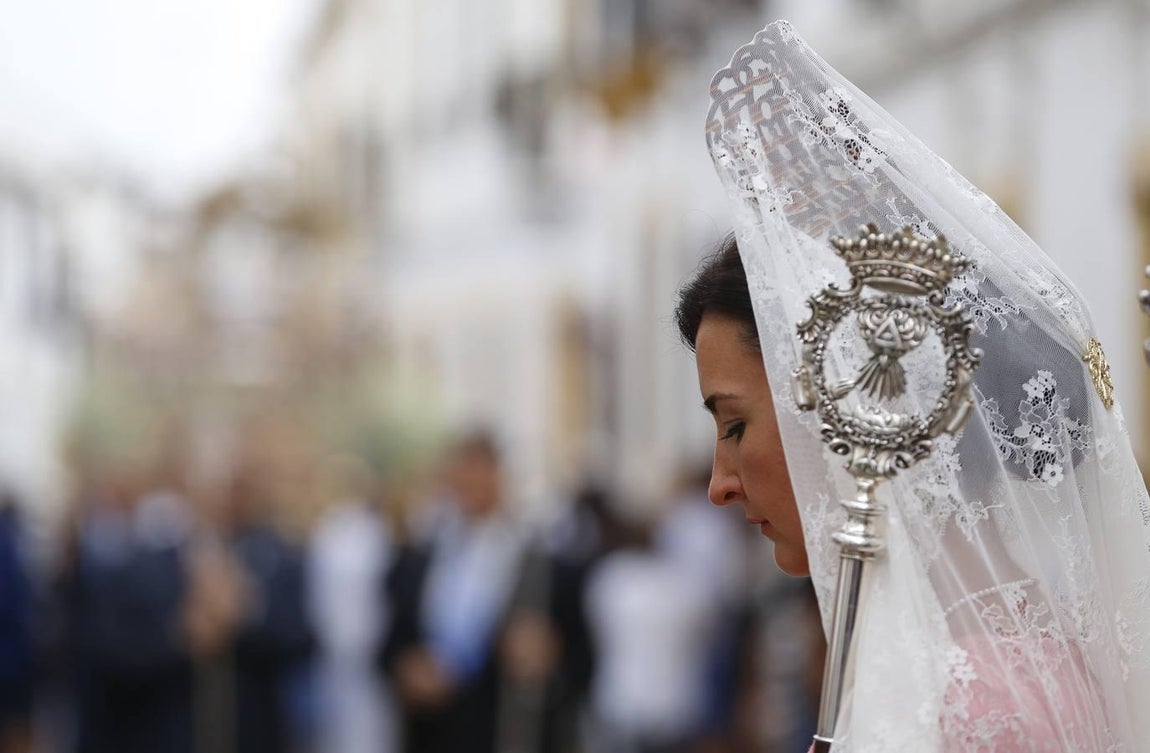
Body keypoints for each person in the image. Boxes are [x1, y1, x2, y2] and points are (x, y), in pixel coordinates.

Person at [677, 20, 1150, 751]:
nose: (720, 483)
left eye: (735, 425)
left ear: (849, 408)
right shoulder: (973, 658)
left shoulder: (970, 704)